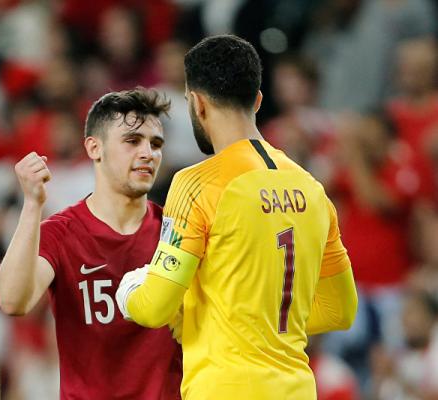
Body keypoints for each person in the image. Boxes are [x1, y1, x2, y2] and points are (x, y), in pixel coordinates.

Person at [116, 35, 358, 399]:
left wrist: (129, 290)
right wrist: (255, 321)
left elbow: (154, 308)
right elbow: (339, 309)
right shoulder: (312, 188)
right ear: (257, 100)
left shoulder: (197, 184)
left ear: (196, 103)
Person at [0, 88, 182, 399]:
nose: (148, 153)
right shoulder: (61, 233)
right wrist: (31, 204)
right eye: (133, 141)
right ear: (95, 148)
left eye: (155, 144)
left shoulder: (176, 233)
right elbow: (13, 301)